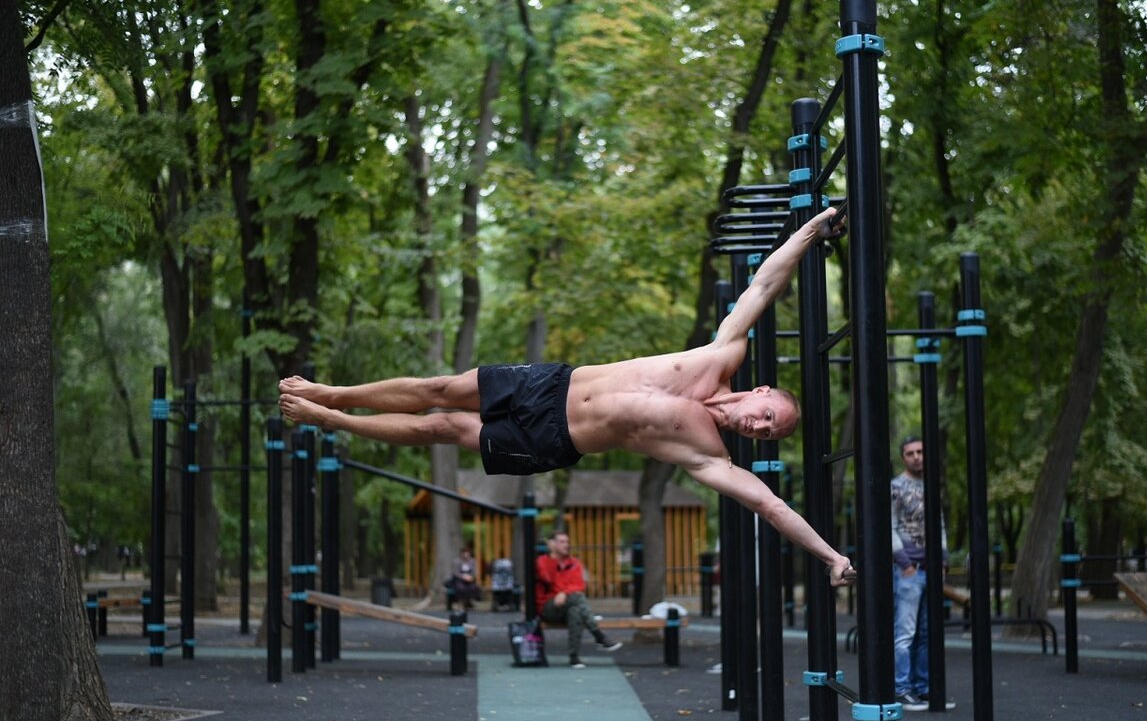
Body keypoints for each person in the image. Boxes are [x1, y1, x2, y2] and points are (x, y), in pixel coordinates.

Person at [278, 207, 854, 586]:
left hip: (552, 439)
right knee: (441, 388)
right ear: (759, 392)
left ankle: (330, 421)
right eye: (768, 415)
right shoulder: (721, 354)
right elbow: (763, 285)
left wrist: (831, 557)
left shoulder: (708, 455)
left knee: (445, 426)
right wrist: (809, 231)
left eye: (770, 433)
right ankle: (332, 392)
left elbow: (771, 507)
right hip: (552, 383)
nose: (761, 427)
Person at [891, 435, 949, 712]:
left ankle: (923, 687)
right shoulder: (896, 487)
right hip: (909, 570)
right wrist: (905, 563)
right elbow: (888, 525)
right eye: (911, 453)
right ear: (903, 457)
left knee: (926, 632)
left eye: (921, 452)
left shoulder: (932, 486)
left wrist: (944, 559)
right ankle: (901, 688)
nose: (916, 457)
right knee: (906, 631)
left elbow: (939, 524)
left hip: (931, 567)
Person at [535, 530, 621, 668]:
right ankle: (598, 635)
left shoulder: (574, 563)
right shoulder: (543, 561)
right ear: (552, 544)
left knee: (575, 611)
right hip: (547, 606)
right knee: (576, 597)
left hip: (567, 603)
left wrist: (563, 593)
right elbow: (548, 579)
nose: (566, 545)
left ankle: (574, 657)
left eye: (567, 542)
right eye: (562, 542)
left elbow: (579, 585)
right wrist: (553, 559)